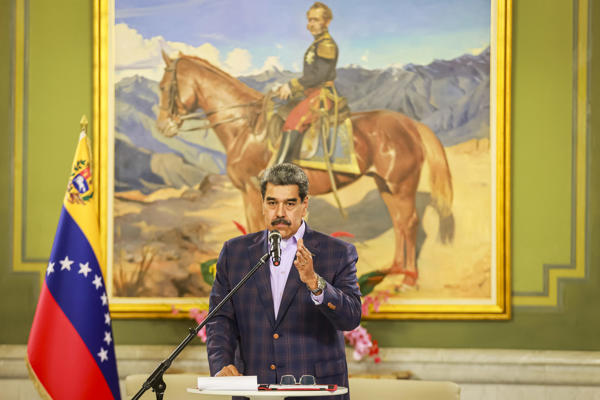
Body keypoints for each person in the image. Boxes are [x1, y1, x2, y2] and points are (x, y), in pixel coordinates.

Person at [206, 163, 361, 399]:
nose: (280, 213)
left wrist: (315, 283)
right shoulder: (235, 252)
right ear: (262, 203)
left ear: (304, 204)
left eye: (289, 203)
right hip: (253, 389)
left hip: (315, 391)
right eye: (272, 203)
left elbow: (351, 318)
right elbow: (220, 318)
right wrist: (222, 365)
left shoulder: (337, 252)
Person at [273, 2, 339, 165]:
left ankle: (279, 170)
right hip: (311, 93)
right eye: (310, 20)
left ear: (327, 22)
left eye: (316, 20)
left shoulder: (326, 45)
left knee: (293, 121)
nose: (311, 24)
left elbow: (319, 76)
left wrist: (291, 85)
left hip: (322, 95)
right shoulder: (317, 43)